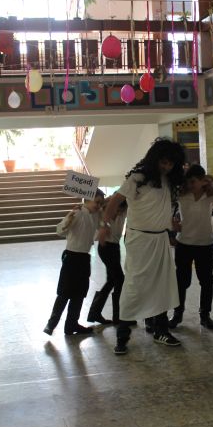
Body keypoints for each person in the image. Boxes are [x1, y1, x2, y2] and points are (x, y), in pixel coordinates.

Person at [99, 138, 185, 355]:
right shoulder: (137, 179)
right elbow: (114, 202)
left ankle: (160, 330)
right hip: (139, 240)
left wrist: (170, 225)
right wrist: (104, 226)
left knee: (162, 285)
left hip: (160, 239)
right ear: (155, 159)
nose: (166, 167)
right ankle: (122, 335)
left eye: (170, 163)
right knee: (135, 286)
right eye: (163, 162)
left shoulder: (169, 181)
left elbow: (159, 208)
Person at [44, 190, 105, 335]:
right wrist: (67, 221)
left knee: (80, 294)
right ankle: (51, 324)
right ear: (87, 200)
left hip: (84, 258)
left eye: (100, 203)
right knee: (64, 293)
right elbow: (59, 231)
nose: (99, 206)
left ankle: (71, 325)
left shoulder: (95, 215)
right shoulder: (77, 213)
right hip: (71, 257)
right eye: (97, 202)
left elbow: (102, 221)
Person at [170, 165, 213, 330]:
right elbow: (165, 206)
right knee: (181, 281)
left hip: (205, 244)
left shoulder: (210, 195)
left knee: (206, 281)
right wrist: (172, 222)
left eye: (193, 182)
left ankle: (205, 315)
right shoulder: (182, 195)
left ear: (202, 181)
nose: (190, 185)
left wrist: (212, 181)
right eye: (188, 181)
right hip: (184, 243)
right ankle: (177, 314)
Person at [87, 195, 126, 325]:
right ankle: (118, 316)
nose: (119, 212)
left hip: (115, 247)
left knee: (112, 280)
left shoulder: (124, 212)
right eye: (117, 209)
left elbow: (123, 194)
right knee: (119, 279)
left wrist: (119, 201)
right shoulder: (102, 212)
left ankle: (95, 312)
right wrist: (110, 202)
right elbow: (94, 207)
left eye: (121, 210)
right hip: (105, 247)